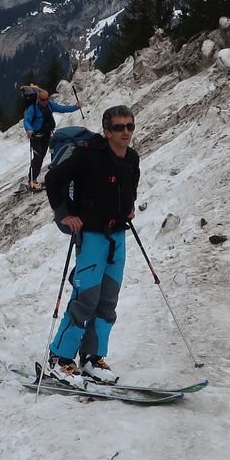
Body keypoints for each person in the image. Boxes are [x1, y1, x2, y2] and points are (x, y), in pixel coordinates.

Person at [43, 104, 139, 385]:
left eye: (129, 126)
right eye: (119, 127)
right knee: (86, 298)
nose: (125, 132)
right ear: (106, 131)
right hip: (93, 237)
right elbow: (53, 179)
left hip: (118, 236)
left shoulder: (132, 158)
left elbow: (130, 187)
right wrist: (64, 214)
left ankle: (92, 356)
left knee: (108, 301)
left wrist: (129, 207)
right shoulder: (89, 156)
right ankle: (59, 359)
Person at [22, 87, 81, 191]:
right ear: (38, 99)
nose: (45, 101)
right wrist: (29, 129)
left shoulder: (50, 105)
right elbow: (26, 120)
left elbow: (62, 109)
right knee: (38, 158)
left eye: (46, 99)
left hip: (46, 136)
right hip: (36, 138)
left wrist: (75, 107)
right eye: (43, 100)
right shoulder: (33, 108)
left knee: (48, 154)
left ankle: (49, 176)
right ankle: (32, 180)